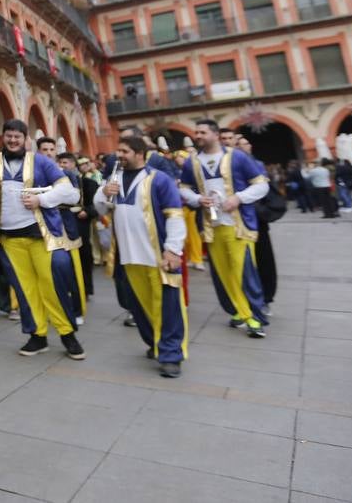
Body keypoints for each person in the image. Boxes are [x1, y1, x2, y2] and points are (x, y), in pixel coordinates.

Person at [0, 119, 85, 360]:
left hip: (41, 237)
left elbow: (70, 193)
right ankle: (37, 335)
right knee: (24, 290)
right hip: (9, 239)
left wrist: (42, 200)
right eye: (9, 136)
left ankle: (67, 334)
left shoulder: (41, 162)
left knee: (52, 286)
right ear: (3, 137)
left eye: (17, 137)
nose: (12, 140)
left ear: (25, 139)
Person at [94, 134, 187, 378]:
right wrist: (103, 192)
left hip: (156, 256)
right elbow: (100, 208)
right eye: (118, 151)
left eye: (124, 151)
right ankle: (155, 343)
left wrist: (173, 249)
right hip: (127, 257)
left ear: (138, 153)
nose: (119, 155)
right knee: (140, 308)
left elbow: (175, 215)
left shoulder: (159, 180)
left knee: (167, 308)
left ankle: (171, 354)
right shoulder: (114, 178)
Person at [178, 118, 270, 338]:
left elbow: (262, 185)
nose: (197, 136)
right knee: (223, 274)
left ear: (215, 134)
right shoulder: (192, 162)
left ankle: (255, 317)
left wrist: (238, 198)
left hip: (238, 226)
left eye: (202, 132)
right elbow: (183, 188)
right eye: (196, 132)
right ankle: (239, 311)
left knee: (244, 273)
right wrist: (198, 199)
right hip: (211, 227)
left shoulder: (237, 157)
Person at [238, 136, 282, 311]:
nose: (242, 147)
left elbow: (267, 192)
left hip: (257, 221)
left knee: (264, 260)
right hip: (237, 221)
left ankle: (266, 297)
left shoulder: (257, 166)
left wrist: (262, 213)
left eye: (244, 143)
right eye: (238, 145)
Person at [58, 152, 95, 298]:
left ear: (73, 164)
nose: (62, 166)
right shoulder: (55, 183)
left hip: (81, 223)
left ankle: (84, 289)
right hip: (61, 224)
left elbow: (96, 205)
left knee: (84, 257)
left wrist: (87, 211)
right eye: (60, 163)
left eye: (65, 162)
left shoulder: (88, 183)